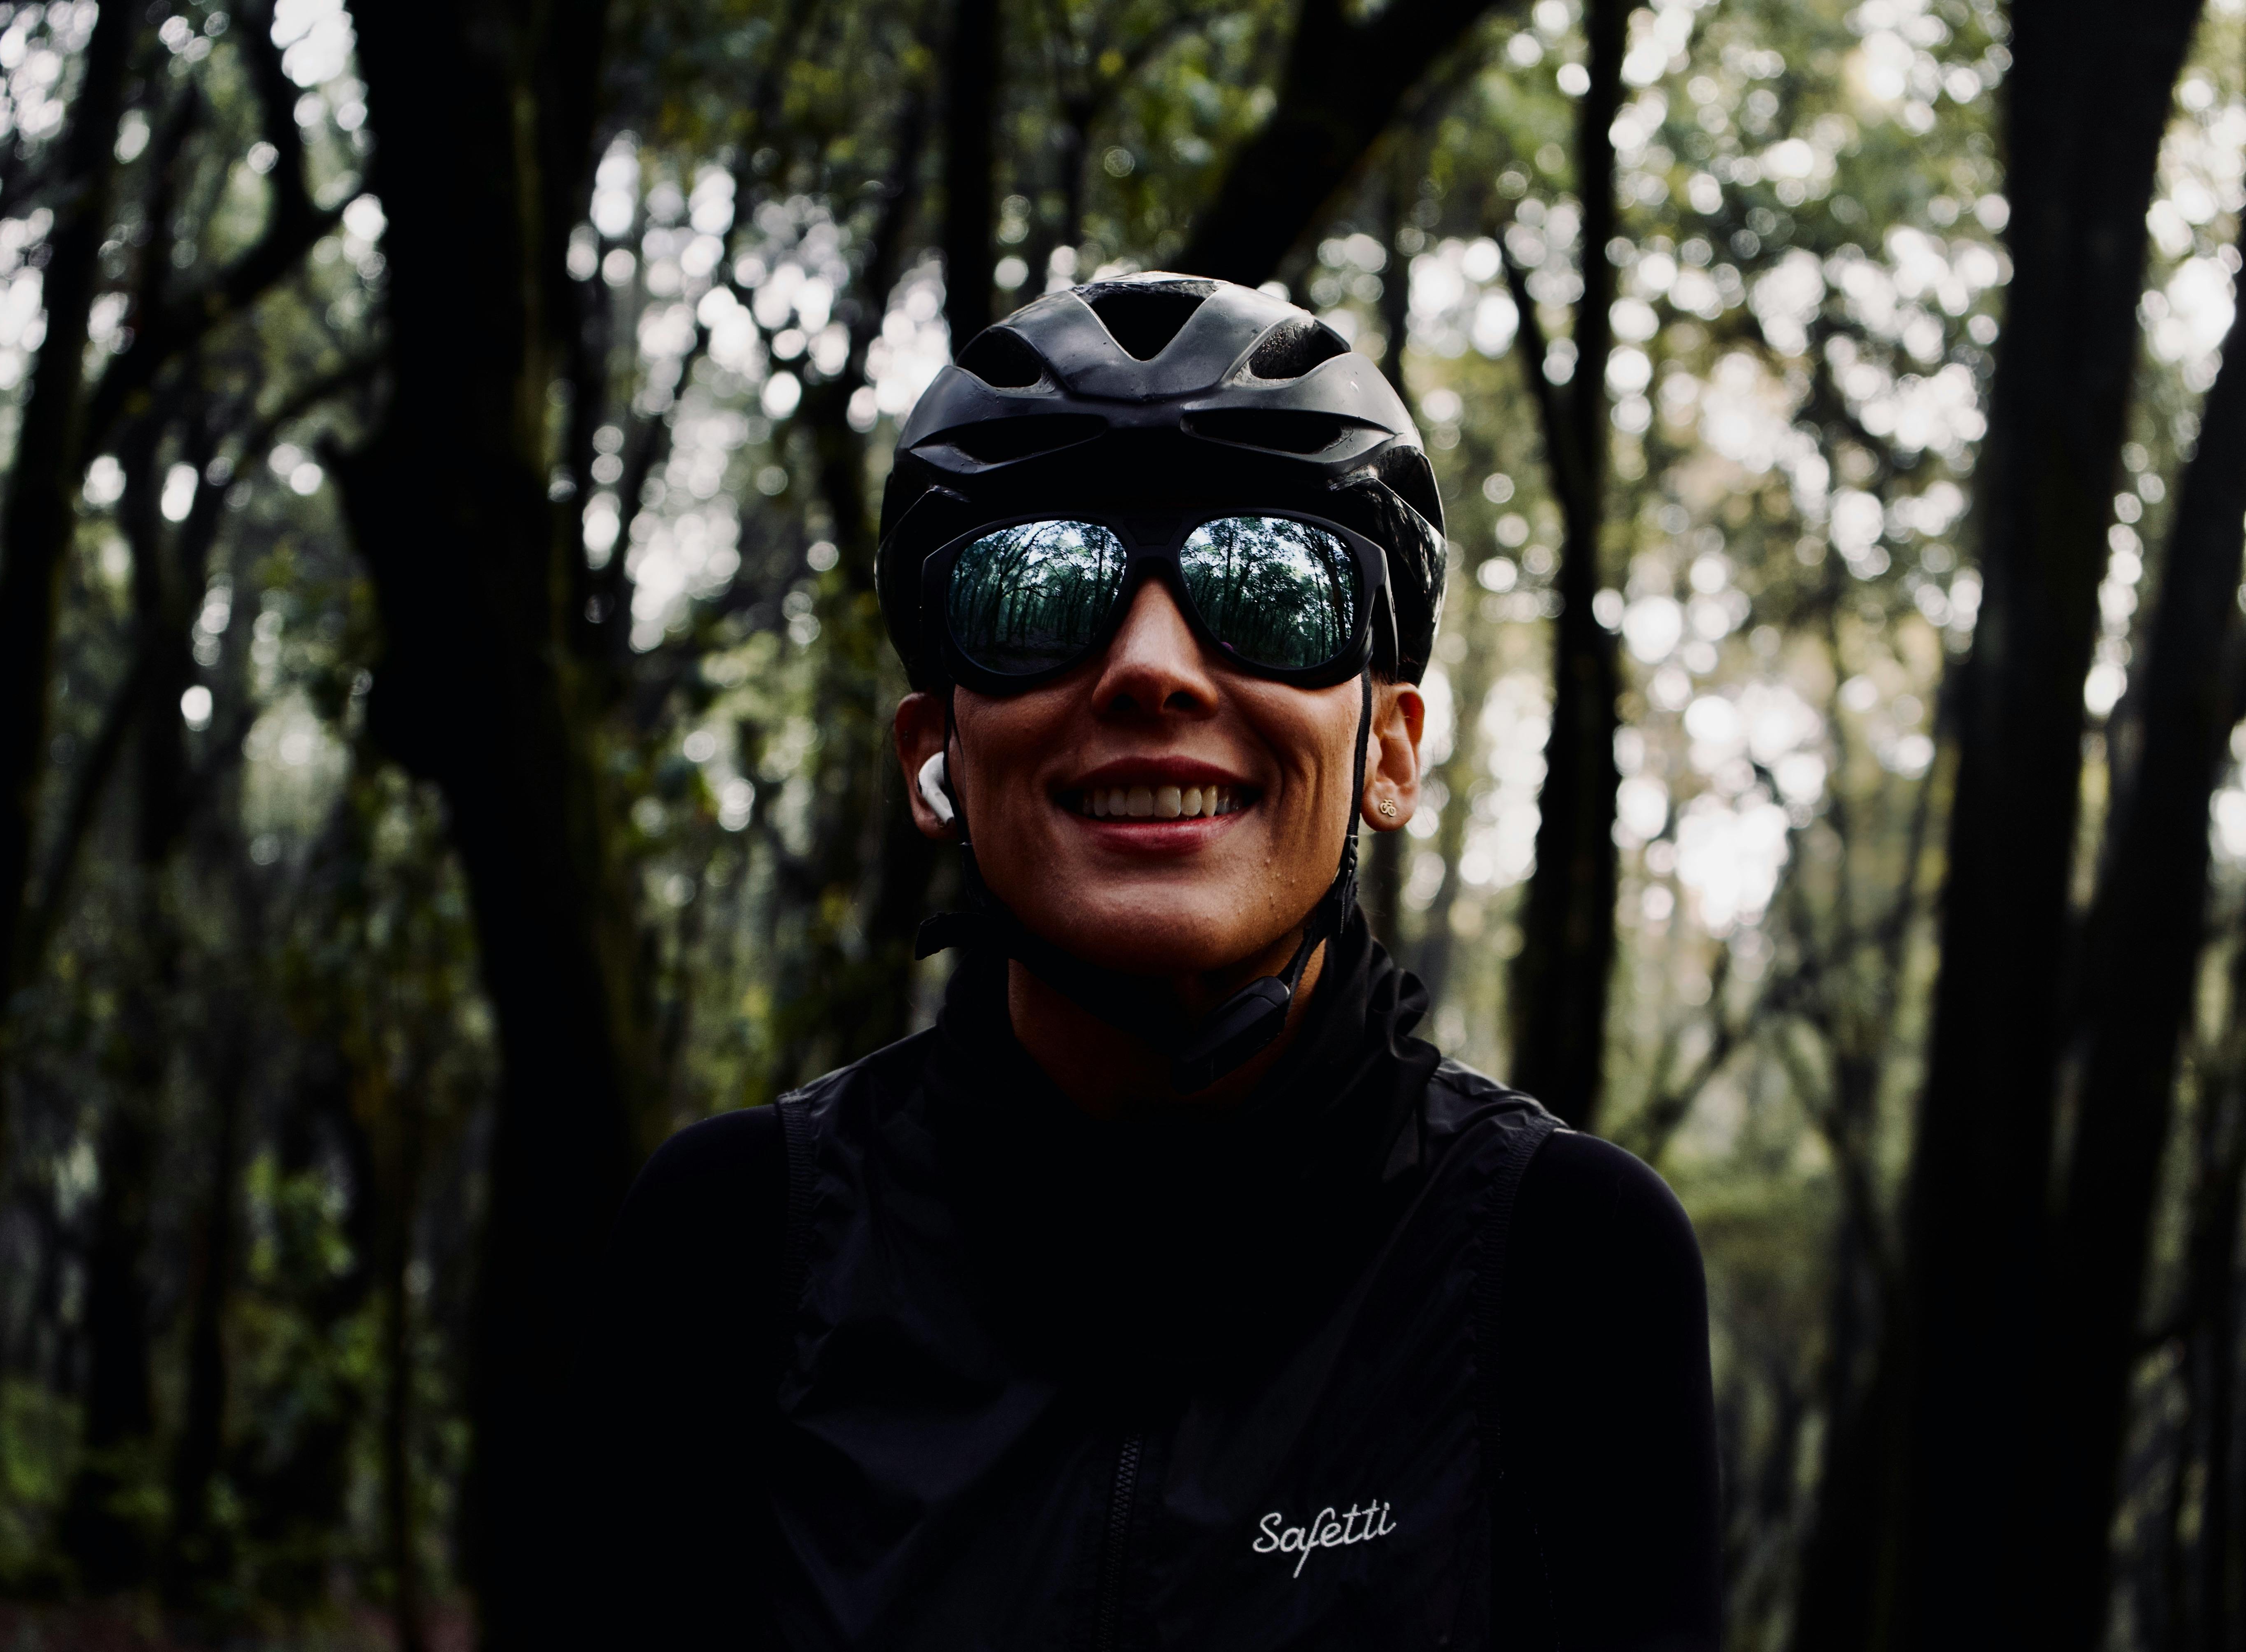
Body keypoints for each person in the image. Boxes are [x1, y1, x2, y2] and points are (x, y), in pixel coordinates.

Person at [589, 275, 1720, 1650]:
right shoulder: (735, 1245)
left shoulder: (1568, 1268)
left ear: (1392, 752)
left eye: (1274, 589)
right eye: (1037, 590)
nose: (1151, 668)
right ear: (932, 756)